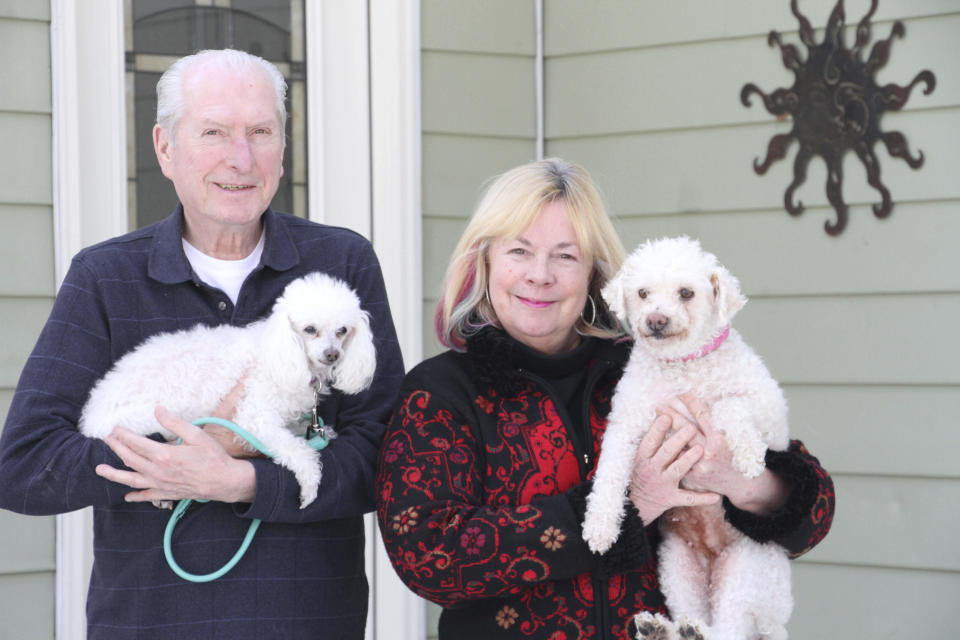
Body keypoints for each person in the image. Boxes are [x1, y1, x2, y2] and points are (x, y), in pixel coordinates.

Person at [0, 49, 403, 639]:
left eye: (261, 132)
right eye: (214, 132)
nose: (240, 158)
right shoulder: (106, 277)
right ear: (165, 148)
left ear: (282, 146)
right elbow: (24, 467)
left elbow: (389, 458)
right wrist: (172, 457)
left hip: (309, 622)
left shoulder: (340, 263)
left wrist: (243, 480)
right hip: (151, 624)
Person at [375, 158, 834, 640]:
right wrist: (630, 501)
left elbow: (814, 513)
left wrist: (743, 482)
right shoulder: (441, 392)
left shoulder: (650, 365)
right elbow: (428, 557)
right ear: (484, 260)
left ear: (594, 271)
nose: (540, 275)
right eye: (519, 251)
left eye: (566, 256)